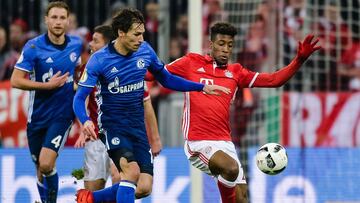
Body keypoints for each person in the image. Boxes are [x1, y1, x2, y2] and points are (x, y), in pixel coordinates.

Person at [73, 8, 230, 203]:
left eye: (142, 34)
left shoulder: (145, 51)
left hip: (137, 127)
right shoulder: (100, 59)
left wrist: (201, 88)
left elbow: (167, 79)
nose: (141, 39)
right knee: (130, 172)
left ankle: (90, 199)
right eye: (136, 34)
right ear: (121, 33)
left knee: (144, 187)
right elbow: (79, 98)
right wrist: (85, 120)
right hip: (113, 126)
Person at [153, 22, 320, 203]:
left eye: (230, 45)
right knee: (231, 169)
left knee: (242, 198)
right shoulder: (191, 62)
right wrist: (135, 66)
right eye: (221, 44)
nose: (226, 49)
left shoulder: (236, 72)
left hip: (225, 143)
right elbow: (158, 74)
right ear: (211, 45)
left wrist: (299, 60)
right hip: (198, 141)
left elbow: (274, 80)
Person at [74, 25, 162, 192]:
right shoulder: (91, 66)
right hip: (96, 134)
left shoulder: (130, 66)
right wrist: (82, 126)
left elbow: (146, 103)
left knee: (121, 177)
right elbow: (82, 98)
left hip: (121, 131)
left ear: (108, 44)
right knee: (94, 187)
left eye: (96, 41)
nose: (91, 44)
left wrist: (155, 138)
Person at [10, 1, 82, 202]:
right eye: (54, 17)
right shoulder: (33, 47)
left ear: (68, 21)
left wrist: (76, 88)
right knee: (40, 169)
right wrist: (47, 86)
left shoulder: (76, 44)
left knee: (46, 163)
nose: (58, 22)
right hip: (37, 117)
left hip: (62, 116)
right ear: (46, 20)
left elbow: (79, 71)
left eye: (62, 18)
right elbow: (16, 80)